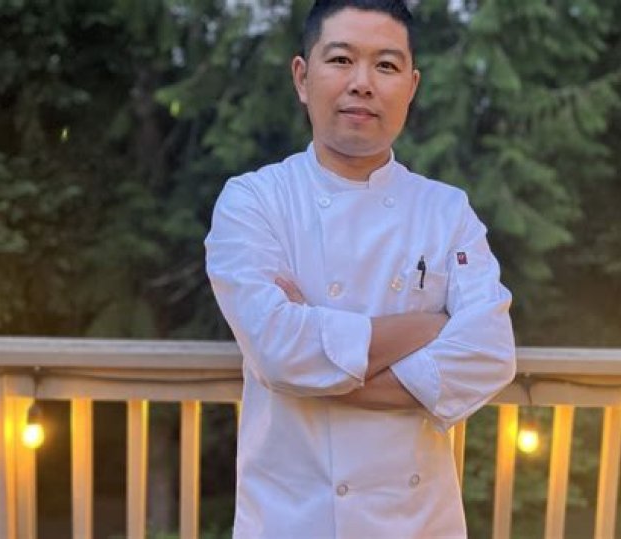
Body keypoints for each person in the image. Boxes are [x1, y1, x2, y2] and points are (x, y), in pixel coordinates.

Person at [204, 0, 516, 536]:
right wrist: (428, 327)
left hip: (417, 523)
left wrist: (314, 366)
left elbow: (489, 354)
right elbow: (278, 351)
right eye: (341, 59)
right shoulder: (253, 201)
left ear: (411, 87)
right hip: (288, 521)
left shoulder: (447, 210)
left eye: (386, 65)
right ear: (302, 77)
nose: (362, 84)